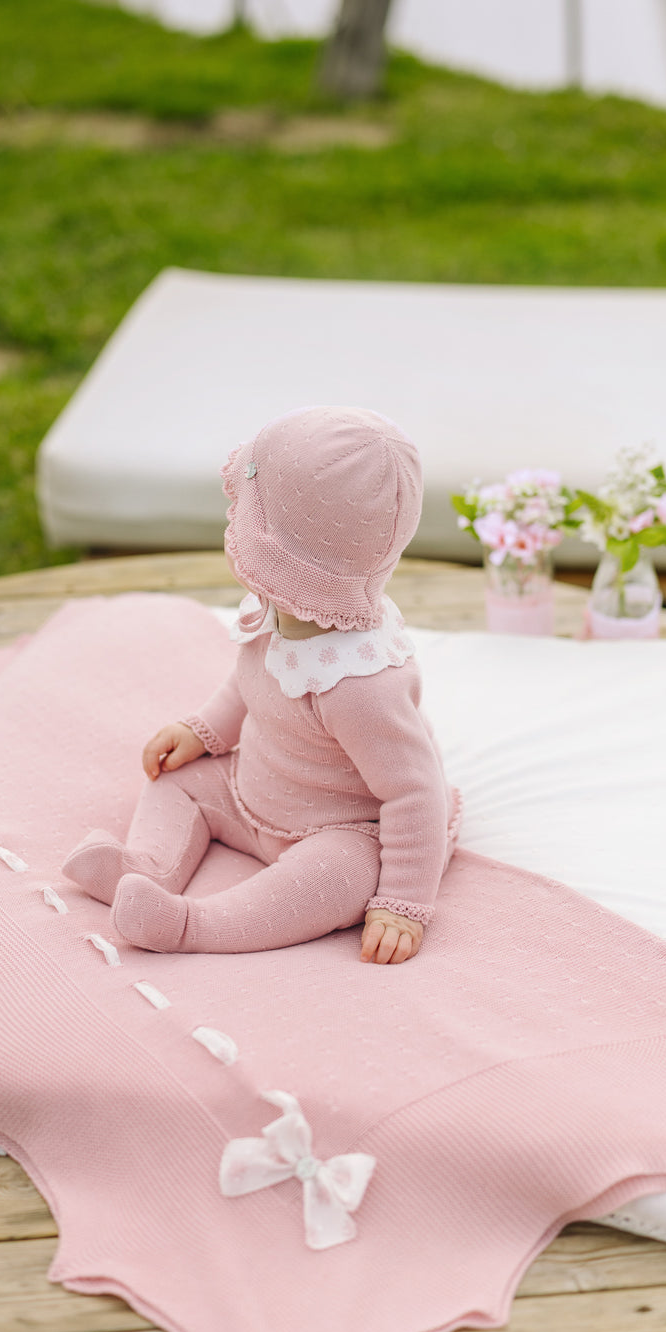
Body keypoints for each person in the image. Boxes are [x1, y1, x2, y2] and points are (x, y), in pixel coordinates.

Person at [63, 406, 459, 964]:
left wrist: (403, 902)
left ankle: (194, 924)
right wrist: (202, 730)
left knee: (339, 876)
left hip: (339, 826)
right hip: (252, 788)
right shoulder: (274, 611)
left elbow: (415, 792)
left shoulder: (362, 686)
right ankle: (146, 866)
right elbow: (247, 685)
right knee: (180, 778)